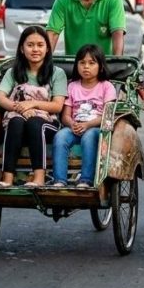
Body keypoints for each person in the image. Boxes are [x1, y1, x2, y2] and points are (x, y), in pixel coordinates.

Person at [0, 25, 67, 188]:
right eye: (30, 45)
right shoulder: (14, 72)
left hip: (47, 124)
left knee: (34, 123)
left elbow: (57, 106)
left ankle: (39, 177)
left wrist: (32, 104)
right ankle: (7, 178)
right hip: (18, 121)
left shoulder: (57, 73)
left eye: (40, 45)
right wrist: (18, 108)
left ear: (47, 49)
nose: (35, 49)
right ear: (21, 48)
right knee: (15, 122)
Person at [52, 44, 116, 188]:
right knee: (60, 137)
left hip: (96, 128)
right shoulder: (72, 86)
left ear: (100, 66)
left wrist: (87, 125)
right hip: (75, 127)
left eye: (91, 63)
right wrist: (72, 124)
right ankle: (59, 180)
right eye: (82, 63)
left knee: (88, 137)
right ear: (77, 65)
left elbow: (107, 115)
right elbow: (65, 115)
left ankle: (86, 179)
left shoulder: (106, 86)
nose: (86, 67)